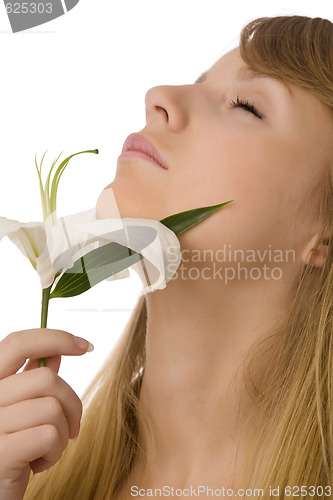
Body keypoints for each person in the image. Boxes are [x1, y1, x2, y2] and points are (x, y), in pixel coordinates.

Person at [0, 14, 332, 500]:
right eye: (198, 82)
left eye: (246, 106)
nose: (160, 96)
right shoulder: (27, 476)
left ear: (323, 237)